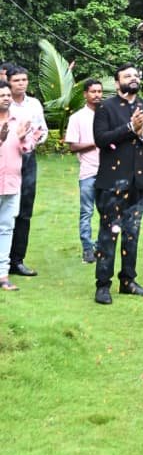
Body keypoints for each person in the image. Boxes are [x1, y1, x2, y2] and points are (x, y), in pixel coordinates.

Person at [92, 63, 143, 304]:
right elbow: (101, 139)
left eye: (135, 75)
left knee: (132, 233)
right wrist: (129, 128)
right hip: (111, 183)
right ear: (117, 83)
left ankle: (128, 281)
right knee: (108, 234)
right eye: (127, 76)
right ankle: (103, 285)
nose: (133, 78)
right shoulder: (105, 108)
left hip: (139, 182)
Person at [6, 65, 48, 277]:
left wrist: (36, 137)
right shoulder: (4, 104)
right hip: (7, 159)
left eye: (24, 80)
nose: (21, 84)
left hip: (28, 159)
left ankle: (17, 259)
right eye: (17, 81)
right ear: (9, 82)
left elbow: (43, 130)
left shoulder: (34, 104)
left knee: (25, 210)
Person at [0, 82, 38, 291]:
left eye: (7, 94)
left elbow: (27, 148)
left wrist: (24, 137)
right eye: (1, 95)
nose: (6, 98)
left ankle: (3, 275)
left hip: (13, 183)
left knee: (6, 229)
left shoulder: (19, 122)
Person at [64, 78, 104, 262]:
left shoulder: (107, 114)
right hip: (88, 171)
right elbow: (72, 146)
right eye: (93, 92)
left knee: (107, 211)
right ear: (85, 94)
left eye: (99, 91)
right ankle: (87, 248)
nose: (97, 95)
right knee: (87, 211)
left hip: (108, 171)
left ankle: (103, 246)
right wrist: (96, 143)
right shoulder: (77, 118)